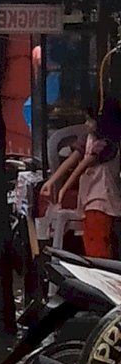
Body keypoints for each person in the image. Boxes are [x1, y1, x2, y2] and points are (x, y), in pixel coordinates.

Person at [40, 99, 121, 259]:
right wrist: (52, 181)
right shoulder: (89, 138)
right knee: (90, 242)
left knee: (99, 246)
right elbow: (73, 158)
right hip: (89, 200)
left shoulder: (107, 144)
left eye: (89, 120)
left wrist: (64, 188)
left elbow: (83, 164)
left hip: (101, 201)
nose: (86, 123)